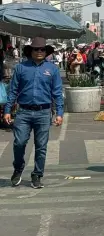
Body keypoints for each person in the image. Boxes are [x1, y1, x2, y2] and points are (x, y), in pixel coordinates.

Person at [4, 38, 63, 188]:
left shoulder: (52, 69)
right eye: (36, 49)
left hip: (43, 112)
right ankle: (18, 168)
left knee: (41, 146)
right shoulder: (21, 68)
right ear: (30, 51)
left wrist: (59, 113)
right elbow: (13, 91)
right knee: (19, 143)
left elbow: (57, 93)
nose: (39, 52)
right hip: (23, 112)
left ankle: (37, 174)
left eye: (42, 49)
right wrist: (7, 110)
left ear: (46, 52)